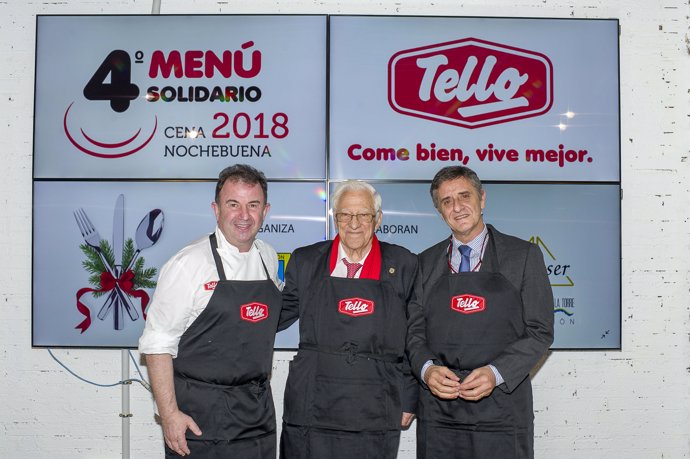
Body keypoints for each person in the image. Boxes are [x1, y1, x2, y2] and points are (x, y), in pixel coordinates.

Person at [407, 166, 554, 459]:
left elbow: (540, 331)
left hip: (502, 408)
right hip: (439, 412)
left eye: (465, 196)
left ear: (482, 198)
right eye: (446, 201)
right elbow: (413, 332)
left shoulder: (523, 256)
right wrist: (427, 369)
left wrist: (496, 373)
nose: (457, 207)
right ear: (439, 210)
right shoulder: (423, 264)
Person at [138, 164, 282, 458]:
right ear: (216, 210)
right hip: (202, 417)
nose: (244, 216)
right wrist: (169, 415)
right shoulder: (188, 263)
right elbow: (156, 344)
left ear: (265, 211)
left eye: (252, 205)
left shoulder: (267, 256)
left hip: (257, 415)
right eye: (233, 204)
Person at [278, 180, 421, 459]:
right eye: (345, 214)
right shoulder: (305, 261)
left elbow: (416, 336)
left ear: (377, 219)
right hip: (312, 404)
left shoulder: (404, 264)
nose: (354, 223)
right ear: (335, 218)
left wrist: (409, 396)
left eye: (363, 214)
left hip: (375, 404)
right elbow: (275, 316)